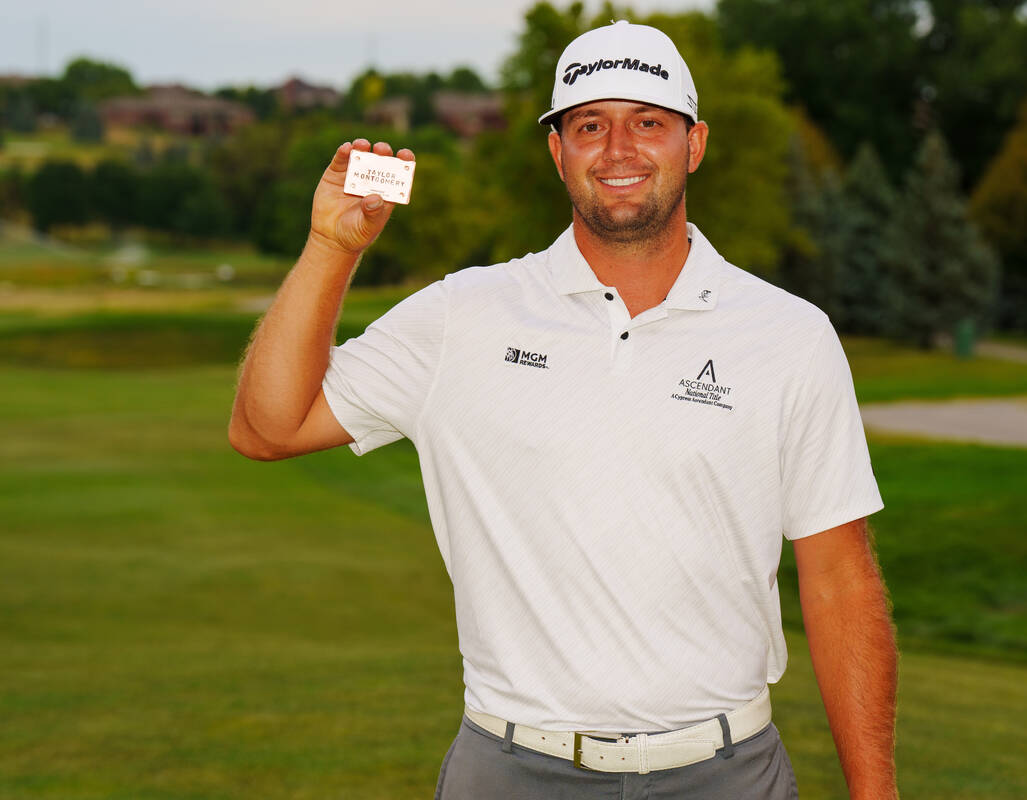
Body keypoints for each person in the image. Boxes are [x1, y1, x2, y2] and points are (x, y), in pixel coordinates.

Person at [229, 20, 898, 800]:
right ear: (558, 151)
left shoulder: (789, 334)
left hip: (728, 773)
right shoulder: (464, 315)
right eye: (589, 126)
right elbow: (267, 428)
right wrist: (331, 247)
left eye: (647, 122)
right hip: (509, 769)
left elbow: (839, 578)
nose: (618, 150)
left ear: (695, 143)